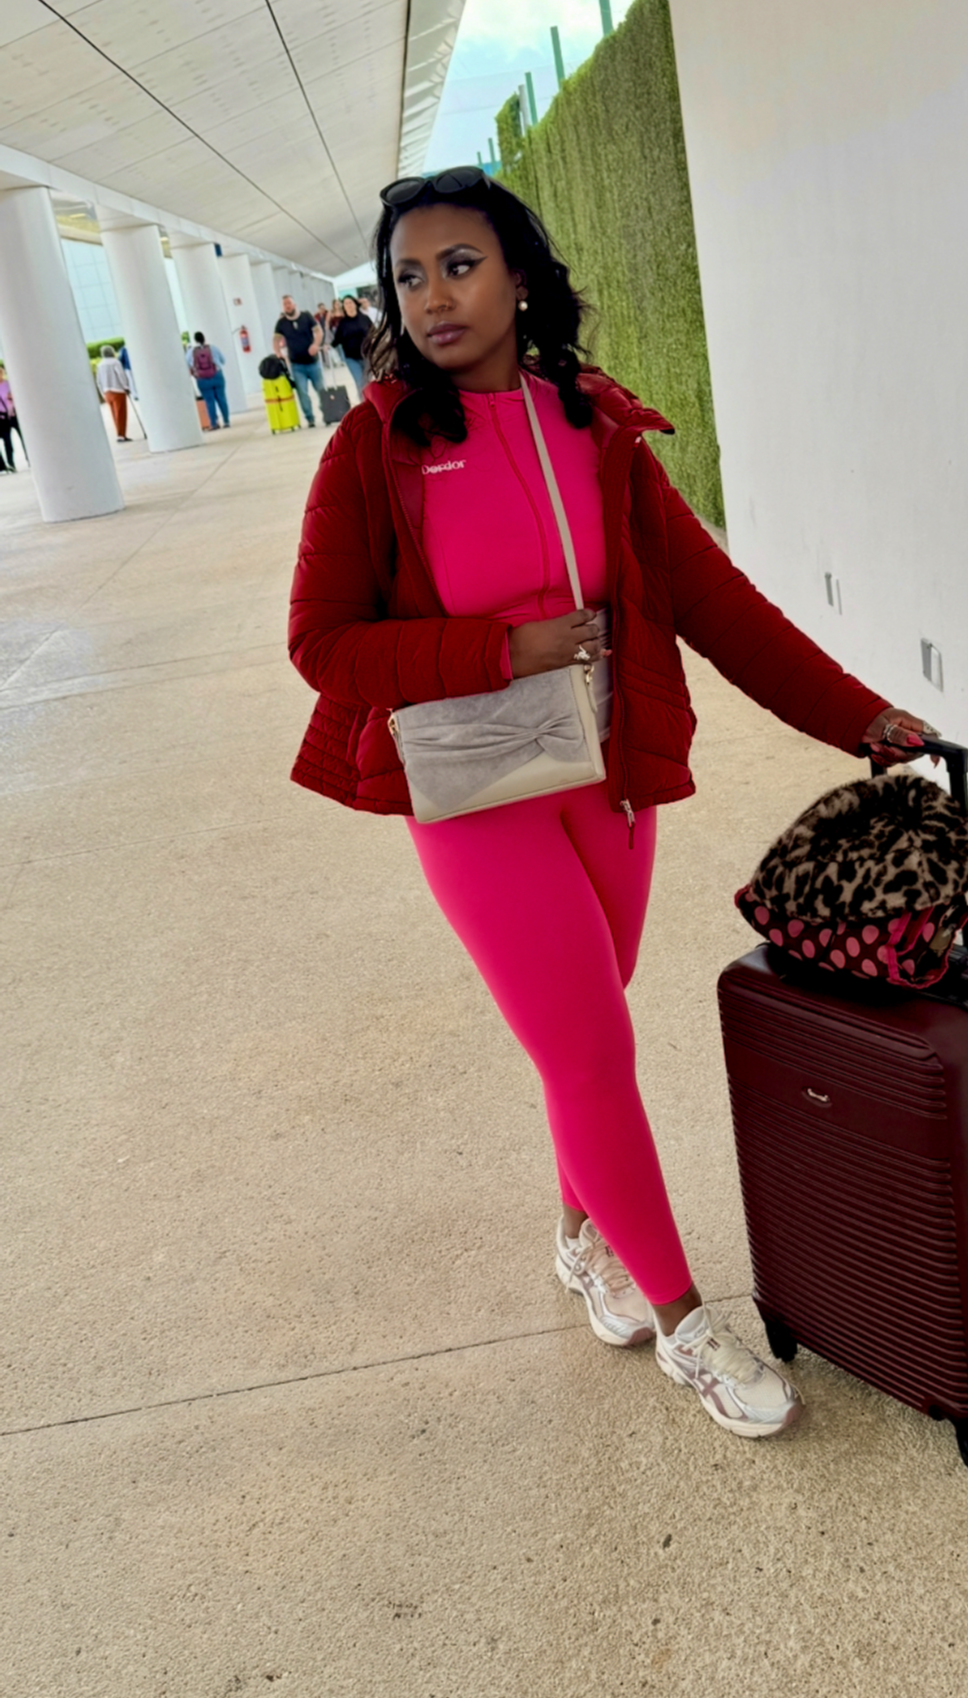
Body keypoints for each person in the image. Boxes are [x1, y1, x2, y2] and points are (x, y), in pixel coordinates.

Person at [288, 168, 934, 1443]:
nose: (433, 297)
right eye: (408, 277)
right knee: (591, 1052)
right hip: (476, 796)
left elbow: (715, 600)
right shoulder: (374, 450)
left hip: (610, 777)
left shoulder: (595, 426)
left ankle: (581, 1239)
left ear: (520, 278)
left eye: (459, 266)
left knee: (581, 1033)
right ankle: (689, 1327)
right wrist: (501, 649)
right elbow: (322, 643)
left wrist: (860, 718)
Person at [274, 296, 326, 426]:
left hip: (313, 362)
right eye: (285, 304)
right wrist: (278, 352)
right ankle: (310, 418)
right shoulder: (281, 323)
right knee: (302, 392)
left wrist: (315, 345)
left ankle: (326, 412)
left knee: (321, 389)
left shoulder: (306, 316)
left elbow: (319, 332)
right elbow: (275, 339)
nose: (287, 306)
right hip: (296, 365)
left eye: (289, 303)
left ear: (294, 304)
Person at [186, 332, 230, 429]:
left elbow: (187, 365)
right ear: (204, 338)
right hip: (217, 375)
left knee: (209, 401)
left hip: (202, 379)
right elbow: (223, 361)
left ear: (195, 340)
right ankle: (226, 421)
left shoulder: (191, 352)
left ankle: (214, 424)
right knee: (222, 399)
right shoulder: (213, 348)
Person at [332, 294, 373, 399]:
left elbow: (374, 333)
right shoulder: (343, 323)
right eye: (346, 304)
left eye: (350, 302)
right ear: (344, 307)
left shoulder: (365, 319)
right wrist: (329, 345)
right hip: (351, 358)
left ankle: (372, 402)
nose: (349, 305)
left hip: (367, 356)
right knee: (360, 382)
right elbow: (337, 339)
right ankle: (365, 404)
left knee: (369, 382)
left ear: (355, 304)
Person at [95, 345, 131, 441]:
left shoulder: (100, 364)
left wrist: (102, 393)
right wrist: (126, 387)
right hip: (118, 391)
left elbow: (98, 381)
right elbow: (121, 375)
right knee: (121, 414)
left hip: (107, 392)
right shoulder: (115, 362)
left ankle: (119, 434)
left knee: (114, 414)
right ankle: (121, 435)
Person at [0, 363, 26, 471]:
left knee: (24, 438)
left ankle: (30, 458)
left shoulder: (9, 384)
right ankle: (11, 463)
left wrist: (12, 397)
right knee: (7, 441)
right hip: (3, 417)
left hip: (14, 414)